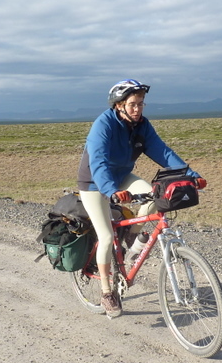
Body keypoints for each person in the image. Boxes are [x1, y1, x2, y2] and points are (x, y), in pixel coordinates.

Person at [77, 79, 206, 319]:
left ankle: (130, 235)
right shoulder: (103, 125)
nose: (138, 109)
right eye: (133, 104)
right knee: (105, 236)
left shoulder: (142, 126)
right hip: (95, 183)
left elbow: (163, 152)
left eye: (141, 104)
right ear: (119, 105)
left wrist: (191, 175)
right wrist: (111, 190)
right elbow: (99, 162)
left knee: (155, 197)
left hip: (122, 176)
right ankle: (107, 292)